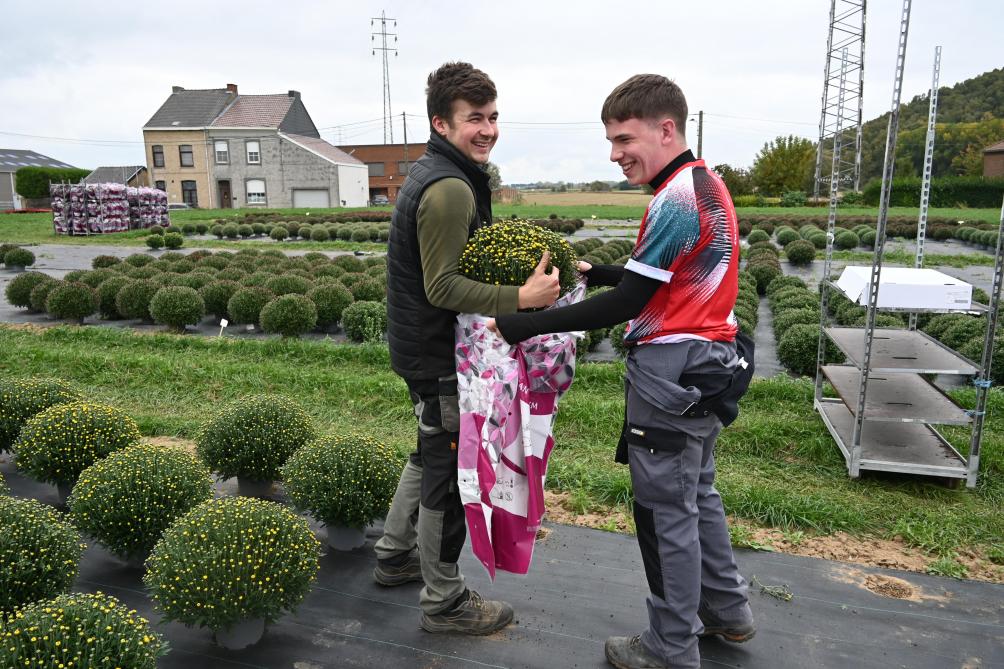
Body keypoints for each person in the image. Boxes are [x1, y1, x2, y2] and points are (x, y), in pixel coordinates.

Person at [488, 74, 755, 669]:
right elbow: (660, 281)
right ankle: (727, 612)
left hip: (671, 373)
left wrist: (524, 325)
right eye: (611, 141)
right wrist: (600, 271)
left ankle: (670, 647)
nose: (615, 154)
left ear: (667, 129)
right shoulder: (705, 183)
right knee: (696, 493)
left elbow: (630, 303)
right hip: (708, 363)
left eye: (624, 139)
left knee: (664, 513)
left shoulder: (675, 199)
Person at [374, 61, 561, 636]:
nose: (488, 129)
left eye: (493, 117)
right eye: (474, 119)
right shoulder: (450, 188)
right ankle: (443, 601)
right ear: (441, 123)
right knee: (447, 475)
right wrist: (522, 297)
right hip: (438, 356)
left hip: (420, 347)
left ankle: (394, 553)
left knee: (428, 447)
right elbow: (443, 286)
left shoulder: (444, 172)